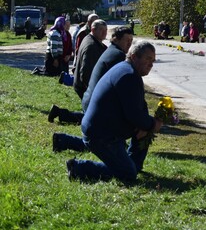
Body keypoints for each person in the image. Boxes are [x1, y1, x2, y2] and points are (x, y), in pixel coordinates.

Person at [66, 42, 163, 182]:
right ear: (134, 57)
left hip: (104, 131)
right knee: (128, 174)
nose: (151, 65)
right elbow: (134, 115)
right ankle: (78, 167)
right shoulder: (128, 75)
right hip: (101, 135)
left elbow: (139, 108)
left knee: (144, 129)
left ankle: (132, 165)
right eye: (148, 59)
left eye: (153, 61)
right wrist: (153, 124)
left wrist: (146, 124)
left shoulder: (126, 70)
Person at [52, 26, 134, 151]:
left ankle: (62, 138)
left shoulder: (111, 50)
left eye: (131, 40)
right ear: (116, 39)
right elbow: (119, 87)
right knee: (101, 144)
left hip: (92, 99)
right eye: (126, 39)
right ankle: (63, 140)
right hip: (97, 103)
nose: (129, 43)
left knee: (99, 140)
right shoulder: (117, 55)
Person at [72, 19, 108, 99]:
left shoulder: (90, 38)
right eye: (101, 30)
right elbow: (86, 72)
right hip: (85, 87)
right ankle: (60, 112)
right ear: (93, 30)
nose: (104, 33)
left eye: (106, 30)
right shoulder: (91, 46)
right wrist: (91, 90)